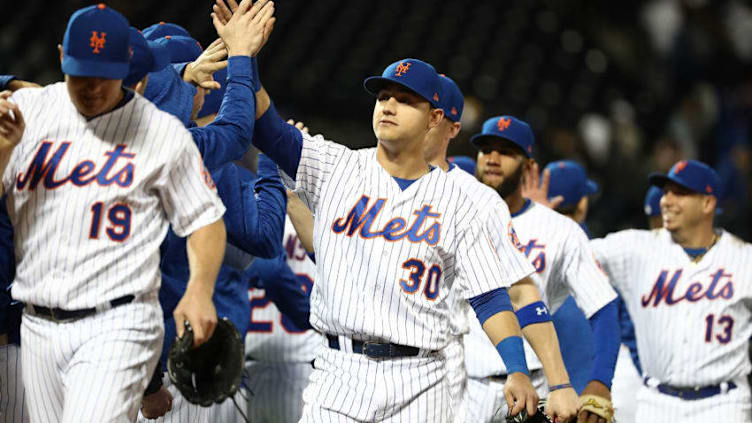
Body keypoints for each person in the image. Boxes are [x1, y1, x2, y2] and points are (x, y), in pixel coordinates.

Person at [231, 46, 539, 422]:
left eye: (405, 100)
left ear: (434, 118)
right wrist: (243, 55)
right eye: (383, 97)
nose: (389, 106)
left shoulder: (460, 203)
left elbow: (490, 297)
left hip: (422, 380)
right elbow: (270, 130)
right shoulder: (336, 166)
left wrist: (518, 368)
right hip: (339, 370)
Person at [0, 5, 227, 422]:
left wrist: (200, 288)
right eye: (79, 73)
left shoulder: (161, 133)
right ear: (61, 56)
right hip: (36, 324)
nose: (89, 88)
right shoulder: (29, 112)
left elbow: (205, 220)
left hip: (118, 322)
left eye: (102, 77)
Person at [422, 75, 580, 422]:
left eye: (422, 107)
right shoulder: (364, 176)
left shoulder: (477, 198)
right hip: (365, 365)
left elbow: (522, 293)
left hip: (450, 373)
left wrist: (556, 382)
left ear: (447, 124)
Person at [468, 115, 620, 423]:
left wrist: (600, 381)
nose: (493, 158)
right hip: (459, 382)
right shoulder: (452, 215)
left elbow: (604, 307)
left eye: (506, 151)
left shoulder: (558, 230)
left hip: (533, 388)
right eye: (486, 149)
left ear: (527, 165)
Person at [590, 159, 752, 422]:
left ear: (708, 203)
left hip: (725, 403)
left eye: (681, 193)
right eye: (666, 192)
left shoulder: (743, 259)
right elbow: (572, 255)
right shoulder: (635, 248)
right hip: (656, 401)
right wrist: (547, 220)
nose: (667, 200)